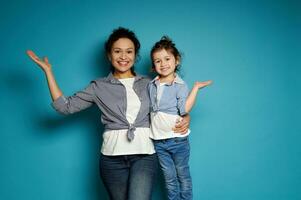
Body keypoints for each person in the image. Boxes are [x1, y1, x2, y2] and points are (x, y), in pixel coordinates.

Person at [26, 27, 190, 200]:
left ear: (135, 55)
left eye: (129, 51)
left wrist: (186, 116)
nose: (123, 56)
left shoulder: (150, 83)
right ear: (109, 55)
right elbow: (65, 107)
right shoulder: (98, 86)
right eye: (117, 51)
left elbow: (172, 107)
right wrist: (48, 72)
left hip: (145, 155)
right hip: (111, 160)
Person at [148, 36, 212, 200]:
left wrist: (196, 88)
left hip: (177, 141)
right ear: (153, 65)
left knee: (182, 175)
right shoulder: (151, 84)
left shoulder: (180, 85)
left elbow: (184, 109)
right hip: (158, 142)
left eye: (167, 59)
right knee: (169, 180)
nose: (163, 64)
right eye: (158, 61)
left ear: (177, 60)